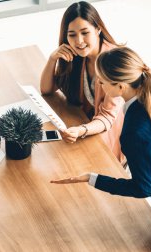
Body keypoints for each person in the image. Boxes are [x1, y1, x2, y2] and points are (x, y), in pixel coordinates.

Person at [51, 47, 151, 239]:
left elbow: (142, 187)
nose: (98, 83)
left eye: (102, 81)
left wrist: (92, 178)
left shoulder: (133, 133)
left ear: (120, 87)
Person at [40, 1, 124, 162]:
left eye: (85, 32)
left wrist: (81, 130)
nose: (79, 41)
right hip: (85, 124)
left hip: (111, 134)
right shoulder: (77, 57)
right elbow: (46, 89)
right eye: (72, 35)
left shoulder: (114, 62)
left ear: (98, 29)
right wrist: (52, 59)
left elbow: (107, 118)